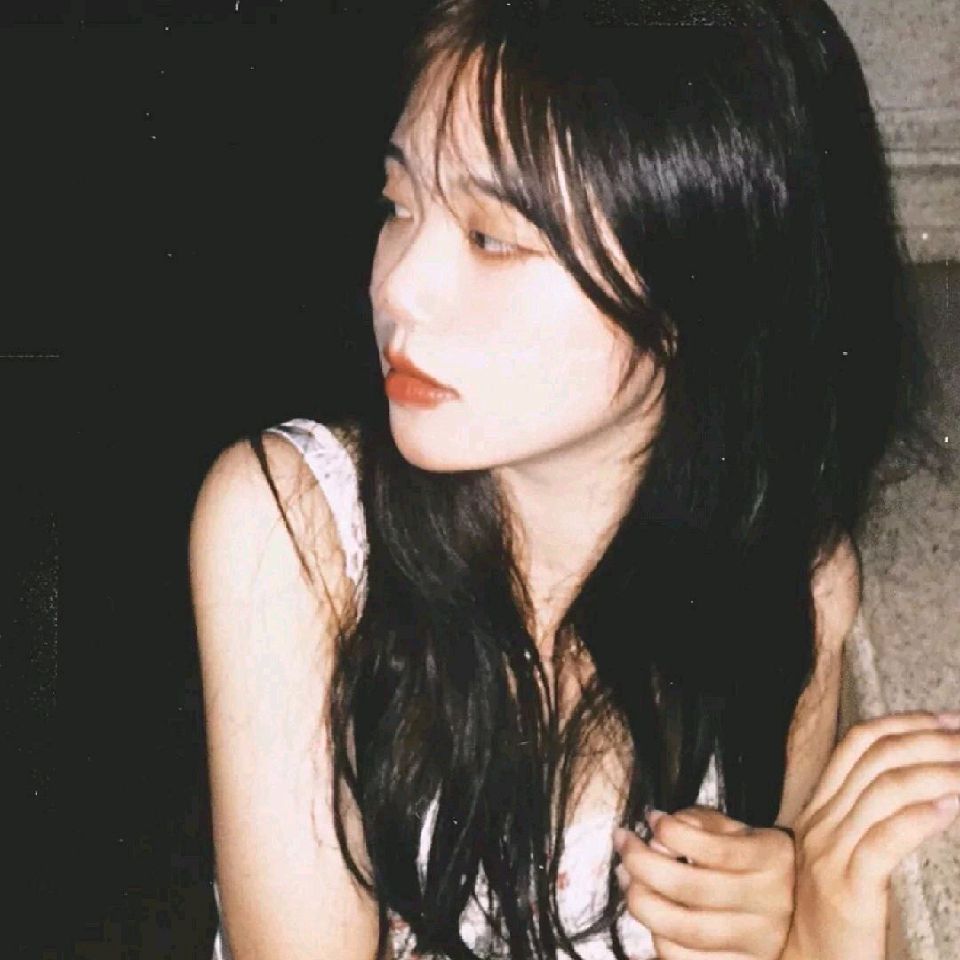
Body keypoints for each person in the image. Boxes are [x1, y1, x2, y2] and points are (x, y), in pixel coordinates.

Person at [188, 2, 957, 958]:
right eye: (399, 204)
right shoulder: (299, 532)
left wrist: (798, 929)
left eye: (490, 238)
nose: (397, 286)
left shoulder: (790, 588)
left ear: (698, 285)